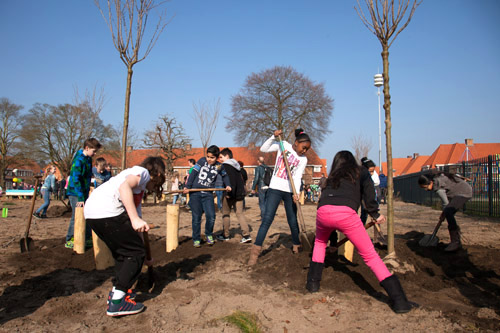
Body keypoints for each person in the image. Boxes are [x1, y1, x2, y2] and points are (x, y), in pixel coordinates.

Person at [307, 150, 414, 314]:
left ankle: (312, 285)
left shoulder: (331, 178)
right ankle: (399, 300)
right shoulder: (361, 171)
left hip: (323, 212)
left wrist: (333, 242)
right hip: (346, 214)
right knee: (370, 255)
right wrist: (375, 213)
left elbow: (327, 200)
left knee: (320, 244)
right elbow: (369, 192)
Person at [84, 156, 166, 317]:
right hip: (107, 210)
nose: (154, 187)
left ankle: (117, 293)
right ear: (156, 174)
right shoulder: (141, 172)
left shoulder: (137, 192)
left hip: (93, 213)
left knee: (125, 254)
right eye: (156, 183)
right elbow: (124, 187)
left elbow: (138, 230)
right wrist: (135, 220)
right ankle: (117, 303)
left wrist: (143, 253)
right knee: (133, 254)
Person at [248, 129, 311, 266]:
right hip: (275, 189)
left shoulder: (303, 159)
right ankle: (255, 252)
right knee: (267, 219)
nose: (304, 151)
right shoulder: (284, 145)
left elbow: (297, 177)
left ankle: (296, 246)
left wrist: (297, 192)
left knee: (293, 221)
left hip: (289, 192)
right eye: (303, 147)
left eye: (307, 149)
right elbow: (264, 149)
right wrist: (273, 137)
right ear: (296, 143)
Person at [183, 145, 231, 248]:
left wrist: (227, 185)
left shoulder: (219, 166)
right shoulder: (201, 161)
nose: (209, 159)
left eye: (212, 157)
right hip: (195, 193)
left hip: (208, 194)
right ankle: (196, 239)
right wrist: (187, 186)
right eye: (208, 156)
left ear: (217, 157)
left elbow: (225, 176)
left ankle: (208, 234)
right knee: (196, 217)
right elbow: (193, 174)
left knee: (211, 216)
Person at [418, 173, 472, 252]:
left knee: (448, 212)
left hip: (464, 193)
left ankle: (455, 242)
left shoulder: (438, 187)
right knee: (448, 213)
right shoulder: (438, 179)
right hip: (458, 193)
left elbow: (445, 203)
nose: (426, 190)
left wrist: (444, 213)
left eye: (426, 187)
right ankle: (456, 235)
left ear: (430, 182)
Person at [64, 138, 102, 249]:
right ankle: (70, 239)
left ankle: (87, 237)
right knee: (77, 215)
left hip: (84, 191)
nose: (94, 154)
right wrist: (80, 198)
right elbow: (76, 179)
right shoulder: (79, 160)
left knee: (87, 213)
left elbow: (87, 175)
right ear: (86, 148)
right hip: (75, 192)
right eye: (93, 151)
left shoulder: (88, 159)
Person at [216, 148, 251, 243]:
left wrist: (228, 193)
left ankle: (225, 234)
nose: (220, 160)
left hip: (230, 193)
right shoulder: (237, 166)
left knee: (226, 213)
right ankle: (246, 235)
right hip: (239, 194)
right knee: (240, 214)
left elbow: (231, 181)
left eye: (221, 157)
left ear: (227, 156)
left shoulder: (226, 166)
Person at [251, 156, 270, 221]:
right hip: (268, 186)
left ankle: (263, 217)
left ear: (258, 161)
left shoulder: (258, 168)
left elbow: (256, 178)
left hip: (261, 186)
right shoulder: (268, 168)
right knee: (266, 202)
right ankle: (267, 216)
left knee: (261, 202)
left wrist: (253, 188)